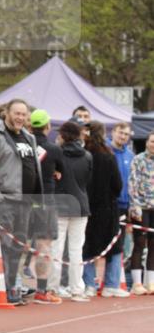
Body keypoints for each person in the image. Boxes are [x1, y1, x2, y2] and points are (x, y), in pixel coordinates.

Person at [0, 99, 43, 304]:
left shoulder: (28, 137)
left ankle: (13, 285)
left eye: (24, 115)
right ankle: (5, 289)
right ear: (6, 113)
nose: (20, 118)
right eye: (16, 113)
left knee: (19, 247)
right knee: (4, 246)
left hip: (25, 202)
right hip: (5, 200)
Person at [82, 121, 125, 297]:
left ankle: (88, 284)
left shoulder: (83, 154)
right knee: (114, 246)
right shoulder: (108, 155)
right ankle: (111, 284)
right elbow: (117, 184)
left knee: (87, 246)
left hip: (87, 206)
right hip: (107, 207)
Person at [54, 121, 93, 301]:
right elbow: (87, 181)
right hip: (80, 204)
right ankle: (77, 288)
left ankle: (54, 287)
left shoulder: (57, 154)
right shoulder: (87, 156)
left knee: (57, 247)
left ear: (63, 135)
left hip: (60, 203)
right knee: (76, 249)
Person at [29, 109, 64, 304]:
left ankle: (14, 287)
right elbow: (61, 171)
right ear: (48, 126)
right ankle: (41, 290)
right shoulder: (54, 149)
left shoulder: (24, 145)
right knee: (44, 245)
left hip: (24, 199)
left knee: (19, 242)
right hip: (45, 200)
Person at [109, 122, 135, 288]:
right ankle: (94, 281)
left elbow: (132, 183)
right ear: (113, 132)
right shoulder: (106, 151)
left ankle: (114, 281)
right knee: (104, 243)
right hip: (109, 205)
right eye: (120, 133)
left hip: (125, 206)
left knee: (120, 245)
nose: (123, 136)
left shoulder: (130, 155)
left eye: (126, 134)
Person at [128, 131, 154, 295]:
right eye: (152, 141)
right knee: (139, 243)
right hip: (141, 208)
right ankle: (137, 283)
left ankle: (151, 282)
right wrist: (135, 205)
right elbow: (132, 183)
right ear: (146, 142)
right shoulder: (138, 159)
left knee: (153, 246)